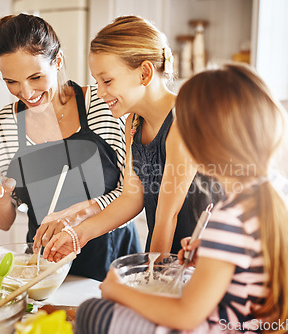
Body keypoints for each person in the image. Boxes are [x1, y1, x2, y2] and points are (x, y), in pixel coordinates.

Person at [75, 63, 288, 334]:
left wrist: (115, 290)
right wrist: (213, 252)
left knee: (91, 311)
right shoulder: (280, 189)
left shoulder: (229, 218)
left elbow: (185, 316)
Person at [0, 13, 141, 282]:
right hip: (44, 269)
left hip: (113, 263)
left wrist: (77, 217)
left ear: (58, 61)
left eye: (35, 77)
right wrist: (1, 195)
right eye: (11, 82)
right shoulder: (2, 126)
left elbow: (132, 194)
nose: (26, 93)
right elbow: (2, 223)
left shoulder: (104, 105)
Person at [43, 15, 221, 263]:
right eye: (97, 82)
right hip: (166, 253)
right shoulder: (134, 123)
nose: (100, 91)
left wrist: (152, 279)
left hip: (202, 260)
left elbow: (167, 216)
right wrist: (78, 234)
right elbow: (131, 197)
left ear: (144, 73)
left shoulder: (184, 120)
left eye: (107, 81)